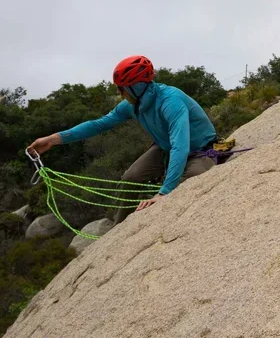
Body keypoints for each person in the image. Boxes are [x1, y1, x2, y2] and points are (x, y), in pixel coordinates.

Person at [27, 55, 219, 223]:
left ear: (137, 86)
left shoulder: (170, 101)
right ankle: (121, 227)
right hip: (165, 148)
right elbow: (98, 125)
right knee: (130, 178)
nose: (119, 92)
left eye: (122, 88)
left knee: (190, 179)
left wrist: (164, 192)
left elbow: (180, 145)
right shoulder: (132, 105)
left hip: (200, 149)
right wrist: (53, 139)